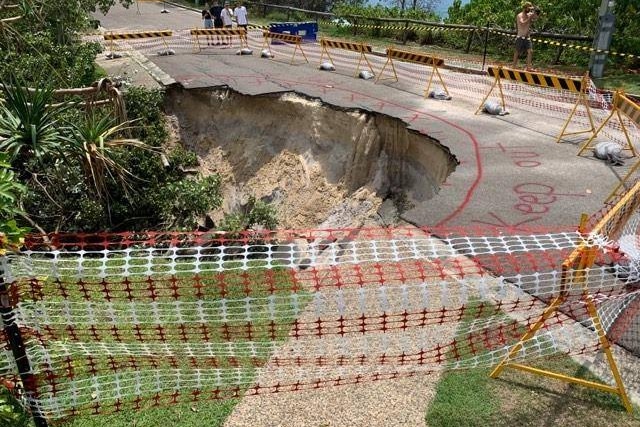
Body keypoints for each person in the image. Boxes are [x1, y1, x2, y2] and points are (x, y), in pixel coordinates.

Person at [512, 2, 539, 70]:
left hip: (527, 37)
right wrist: (529, 18)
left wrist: (537, 12)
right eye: (528, 9)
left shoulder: (529, 14)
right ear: (525, 8)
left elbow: (536, 18)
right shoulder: (519, 15)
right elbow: (522, 23)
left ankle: (528, 67)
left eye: (530, 9)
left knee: (530, 51)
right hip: (520, 36)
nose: (529, 10)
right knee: (517, 52)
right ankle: (514, 66)